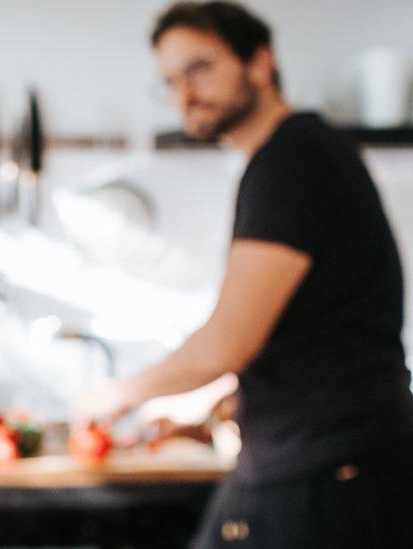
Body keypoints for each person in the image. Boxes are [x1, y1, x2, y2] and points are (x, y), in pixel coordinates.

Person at [77, 2, 413, 547]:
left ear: (259, 63)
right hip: (337, 463)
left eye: (200, 68)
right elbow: (303, 333)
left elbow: (227, 342)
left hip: (326, 471)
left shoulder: (293, 158)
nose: (184, 93)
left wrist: (117, 394)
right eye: (169, 81)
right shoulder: (294, 156)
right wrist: (201, 403)